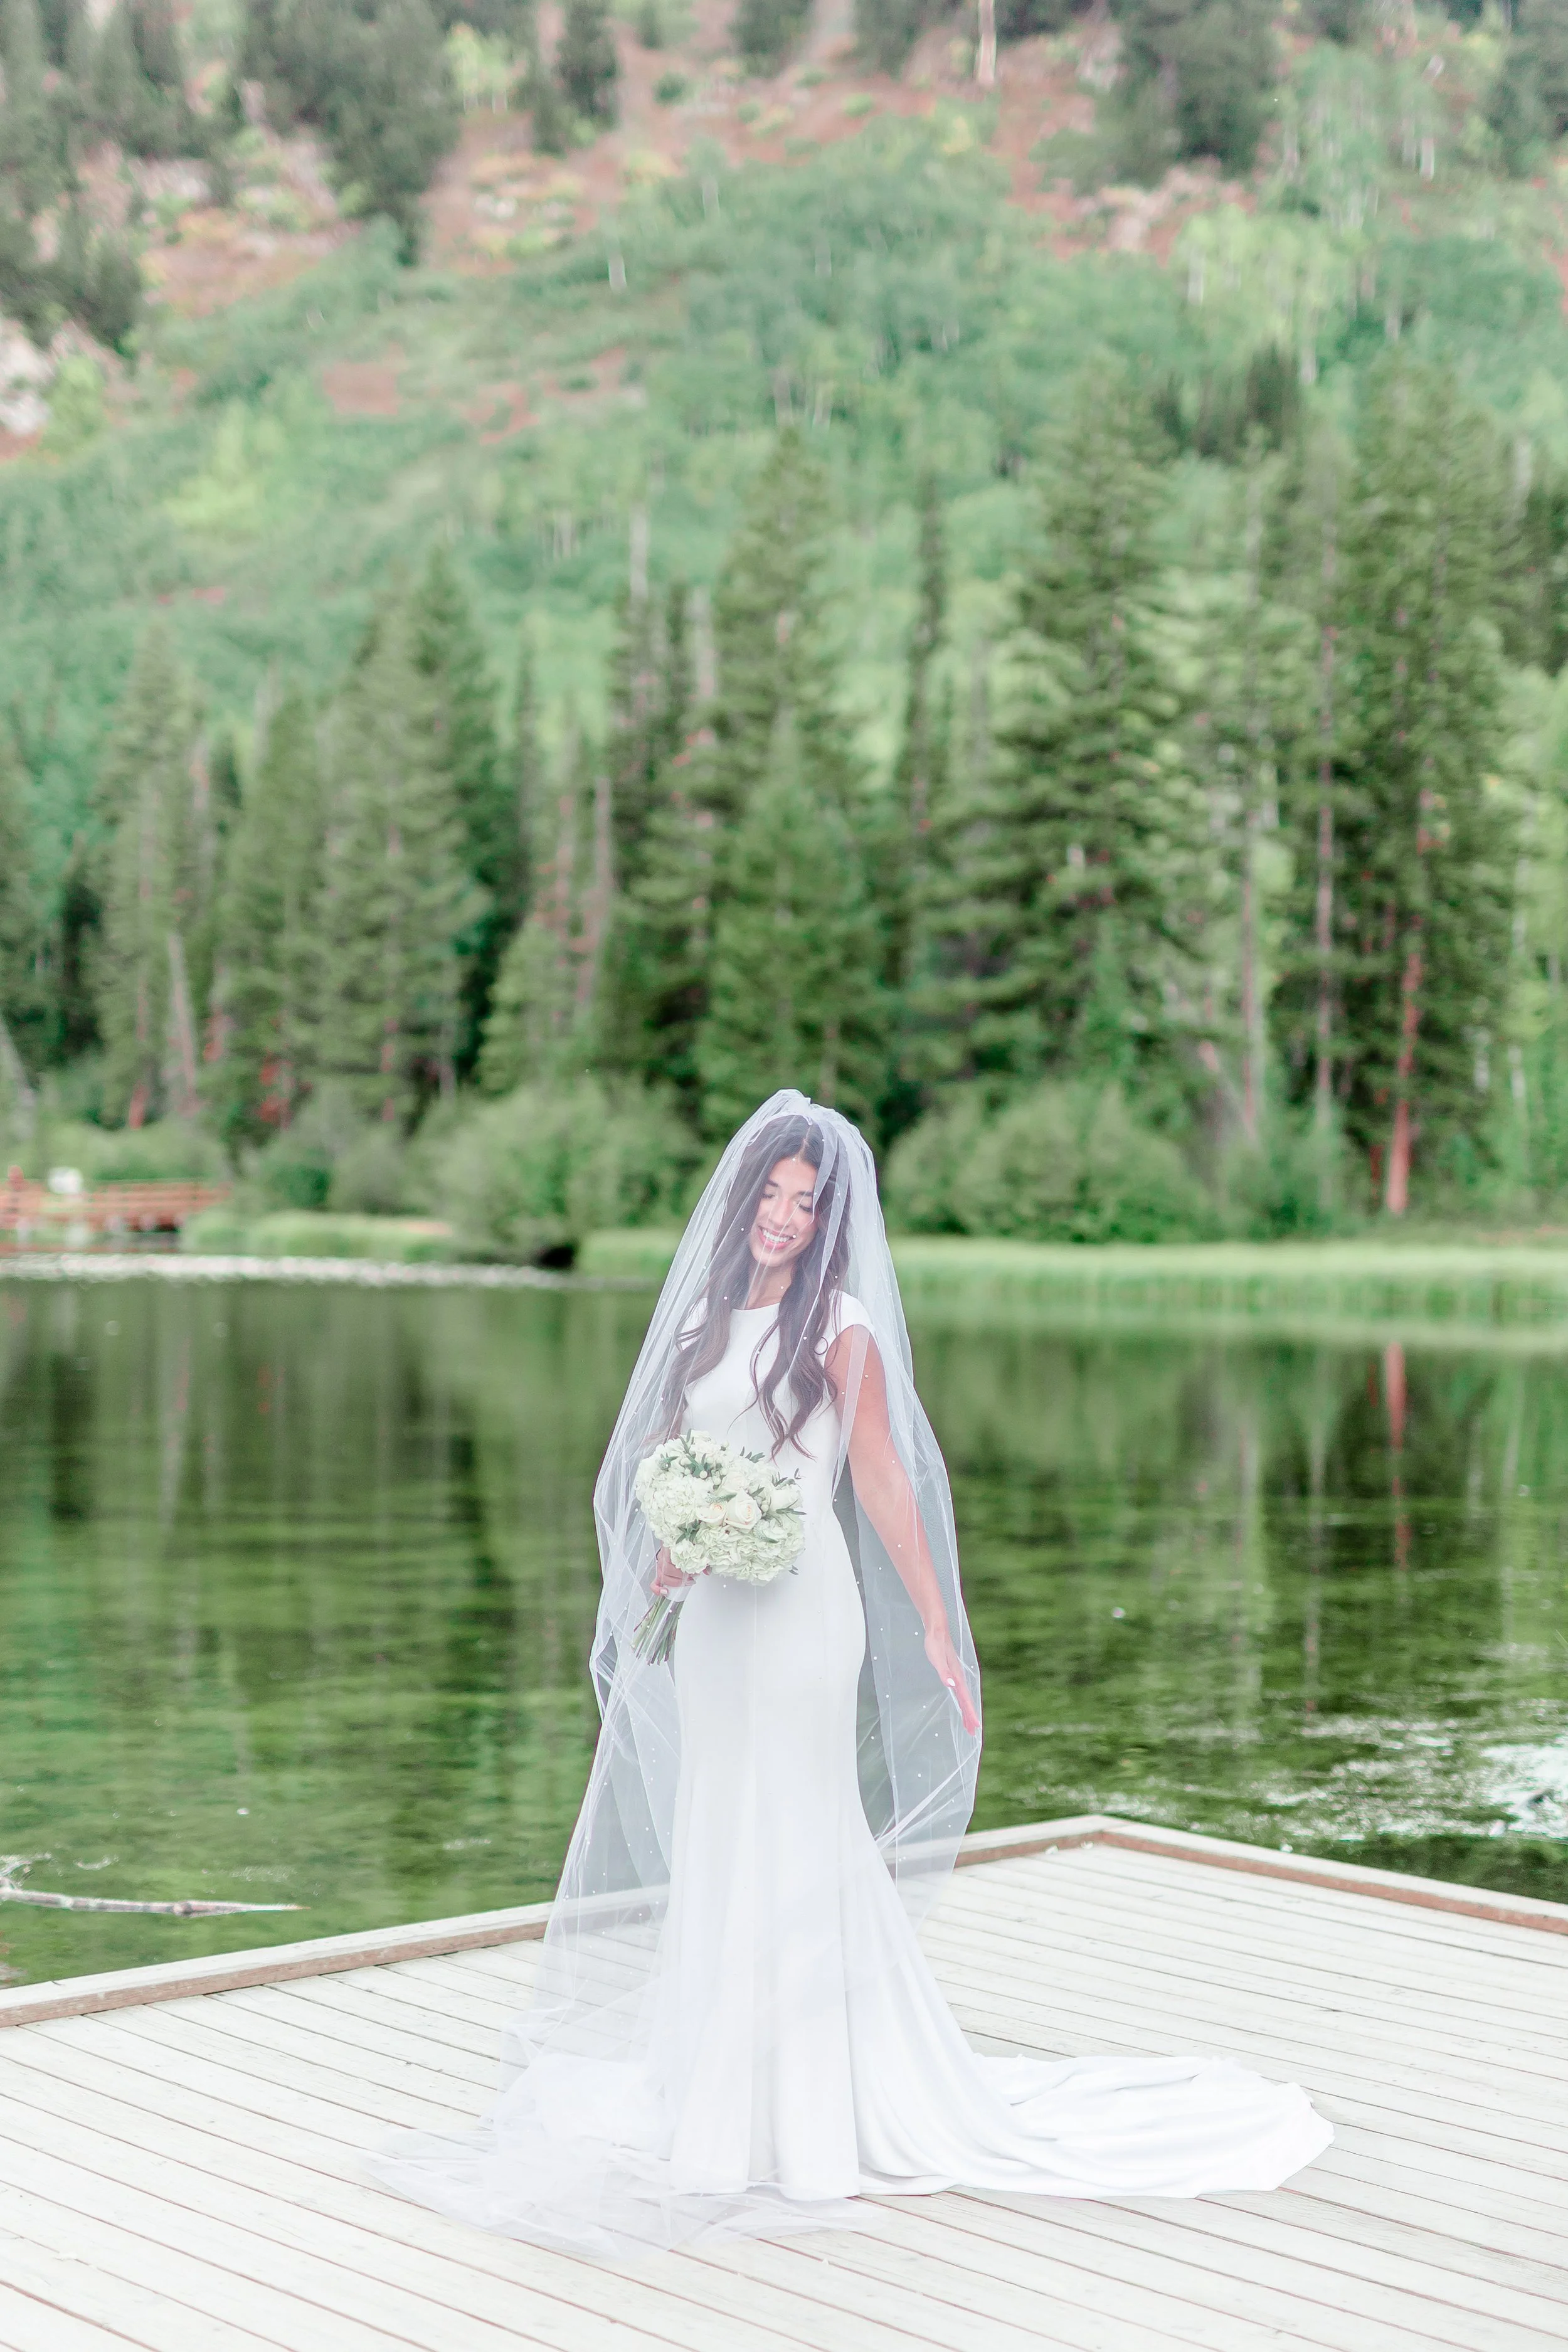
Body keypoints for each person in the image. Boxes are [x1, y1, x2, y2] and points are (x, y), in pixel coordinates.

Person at [368, 1092, 1330, 2255]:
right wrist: (674, 1544)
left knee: (803, 1828)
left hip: (807, 1608)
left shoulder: (843, 1321)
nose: (781, 1217)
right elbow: (680, 1457)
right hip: (720, 1612)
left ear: (830, 1218)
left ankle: (816, 2115)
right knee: (723, 1824)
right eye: (767, 1196)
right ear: (742, 1202)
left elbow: (878, 1476)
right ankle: (720, 2096)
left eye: (803, 1202)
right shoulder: (705, 1317)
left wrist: (934, 1620)